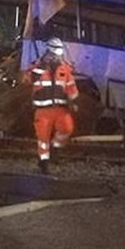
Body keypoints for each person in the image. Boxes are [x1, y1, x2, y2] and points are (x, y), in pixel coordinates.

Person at [24, 37, 79, 175]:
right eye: (54, 55)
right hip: (43, 110)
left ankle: (55, 149)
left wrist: (74, 102)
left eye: (58, 55)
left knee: (67, 128)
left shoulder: (65, 69)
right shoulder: (38, 68)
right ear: (48, 52)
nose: (56, 58)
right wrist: (40, 67)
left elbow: (71, 87)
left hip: (61, 108)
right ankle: (43, 163)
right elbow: (27, 79)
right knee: (43, 139)